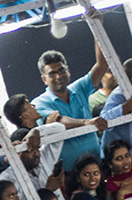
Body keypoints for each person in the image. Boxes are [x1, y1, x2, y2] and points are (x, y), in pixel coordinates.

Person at [33, 45, 111, 173]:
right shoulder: (39, 103)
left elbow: (102, 65)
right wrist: (87, 122)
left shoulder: (79, 89)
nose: (58, 76)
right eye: (52, 74)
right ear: (44, 79)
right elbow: (59, 121)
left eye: (61, 70)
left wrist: (96, 27)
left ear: (67, 70)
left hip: (97, 165)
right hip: (69, 174)